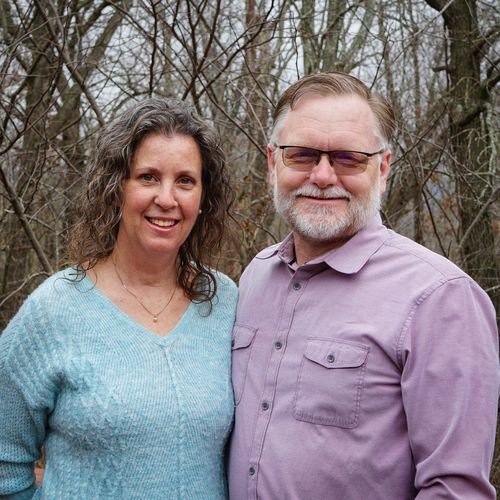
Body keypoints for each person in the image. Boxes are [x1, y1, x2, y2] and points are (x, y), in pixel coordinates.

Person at [228, 72, 499, 499]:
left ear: (383, 168)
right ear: (272, 163)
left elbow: (454, 489)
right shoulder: (255, 277)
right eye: (301, 155)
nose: (322, 176)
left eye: (348, 158)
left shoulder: (440, 297)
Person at [0, 98, 238, 498]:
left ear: (203, 198)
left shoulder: (224, 302)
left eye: (185, 181)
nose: (167, 198)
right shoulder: (54, 310)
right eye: (147, 177)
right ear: (116, 188)